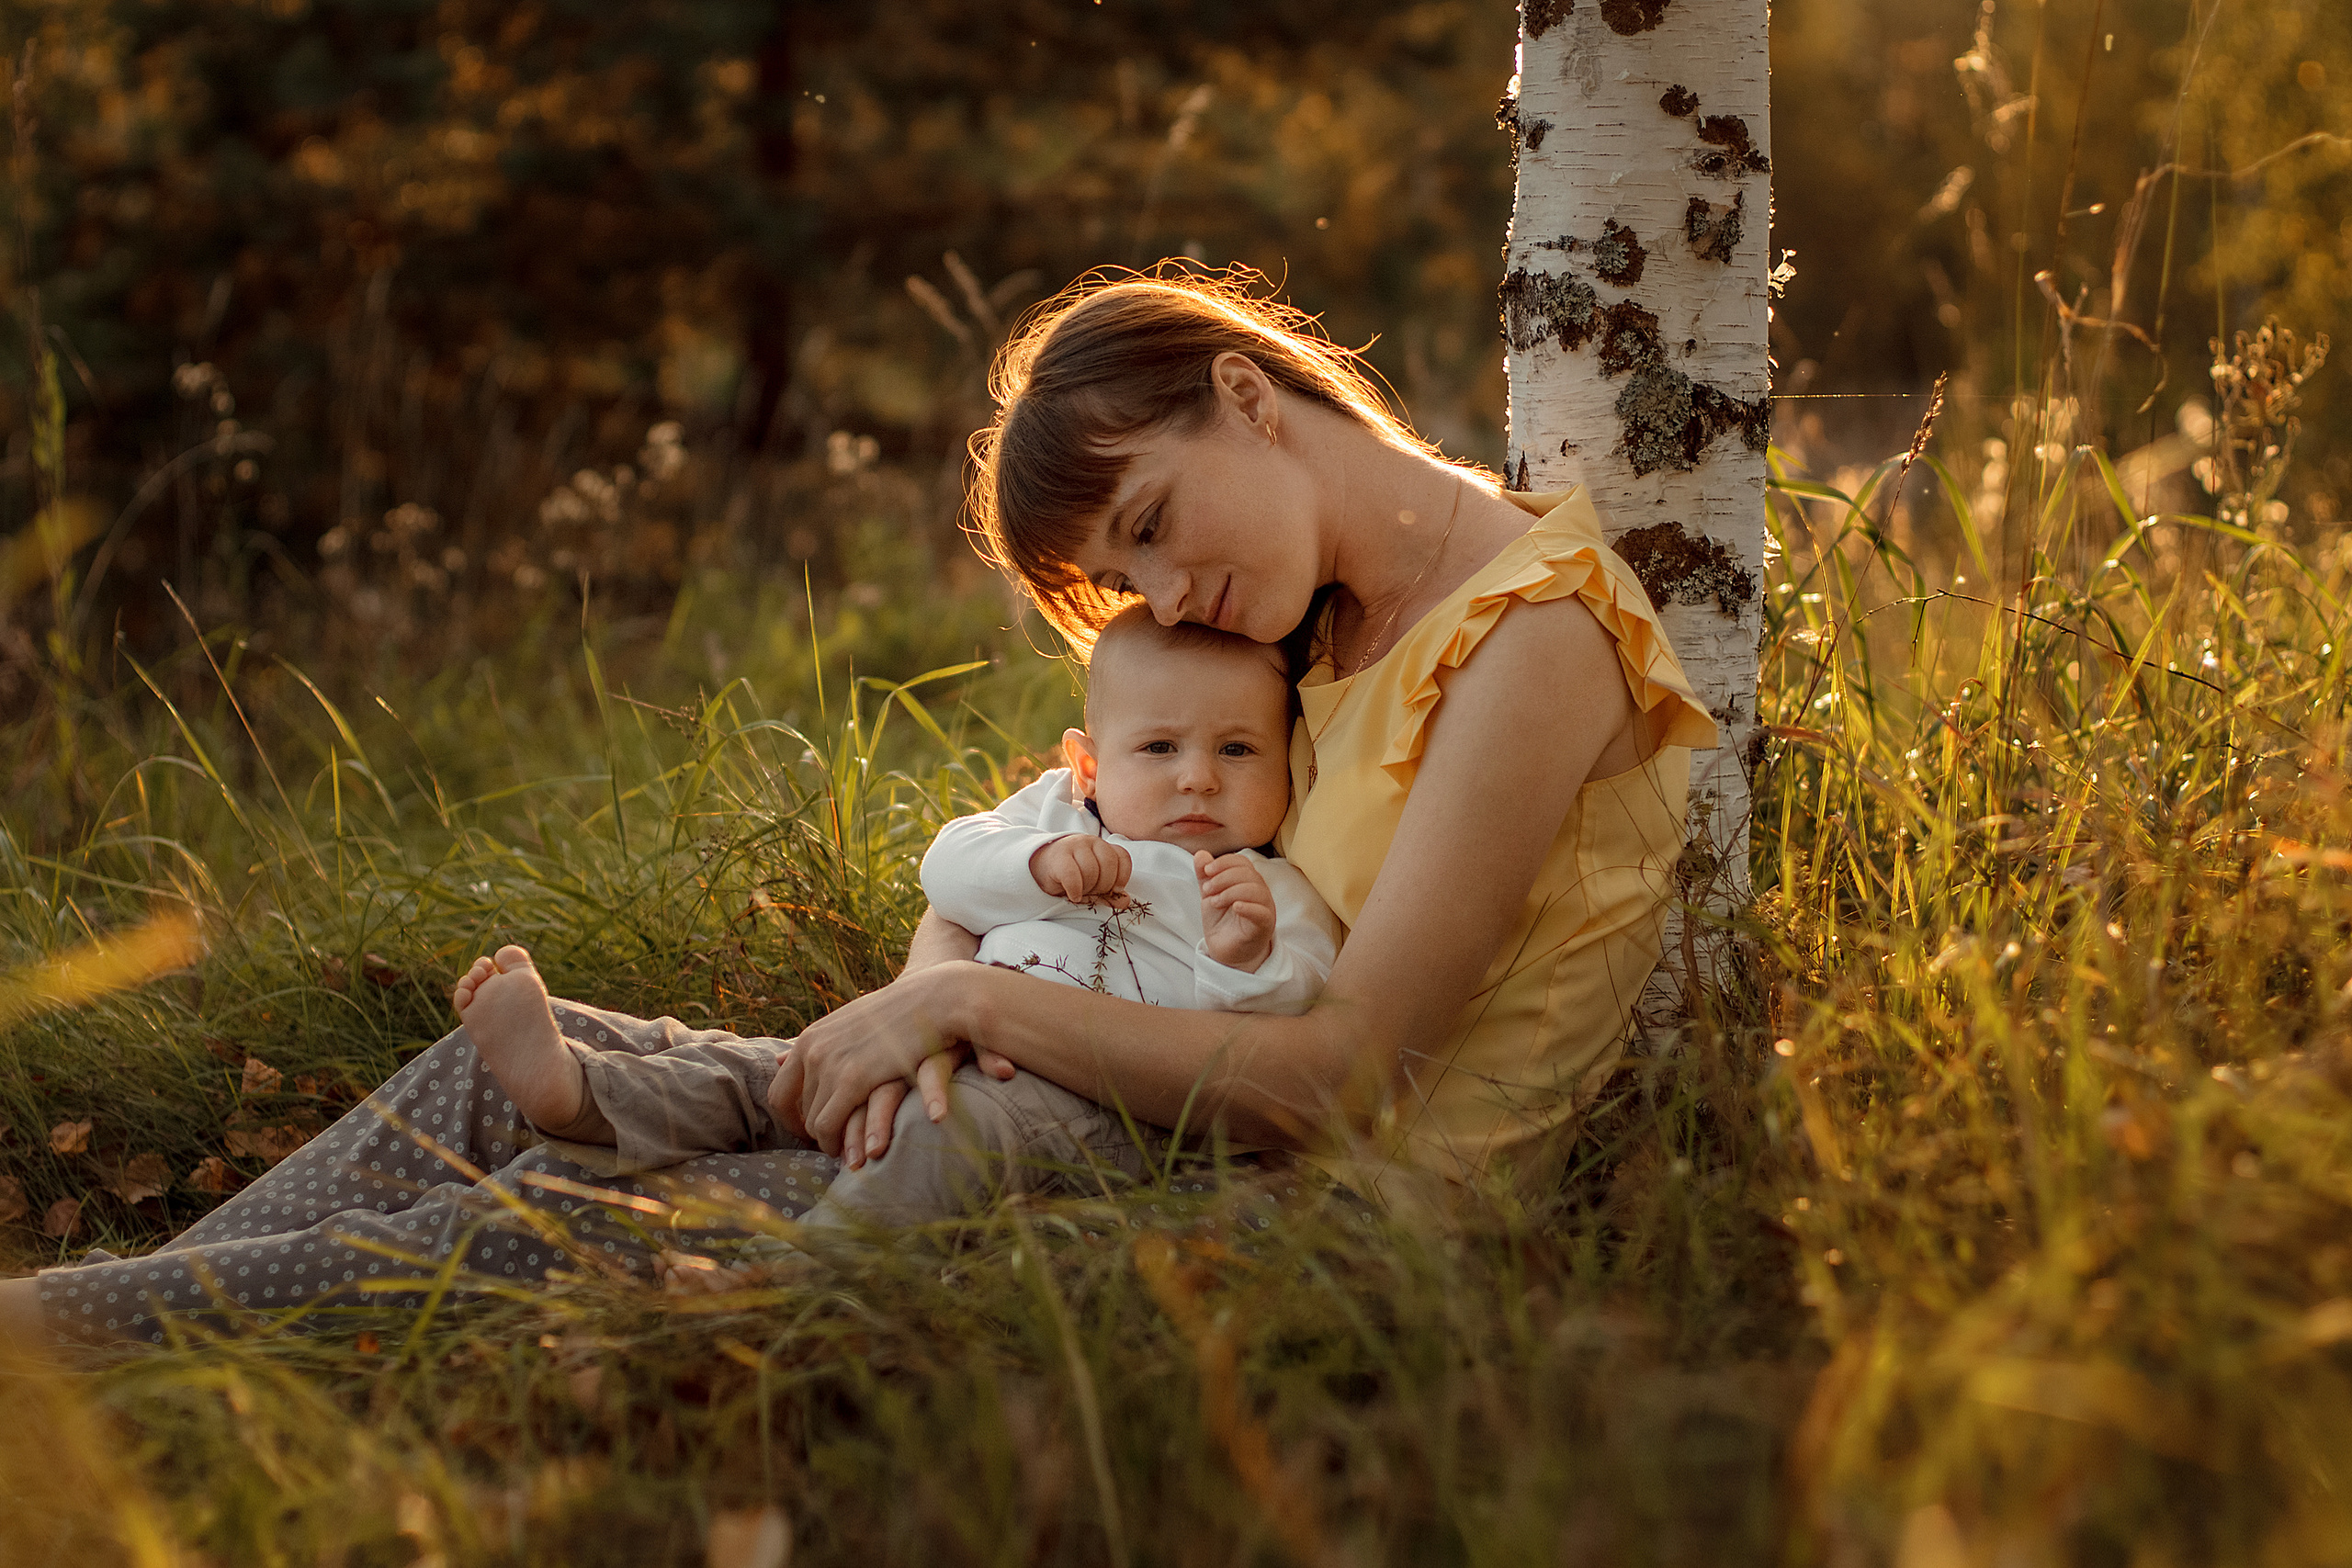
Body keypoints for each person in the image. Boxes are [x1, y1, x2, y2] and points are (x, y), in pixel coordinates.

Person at [0, 267, 1714, 1355]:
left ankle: (66, 1370)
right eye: (1127, 577)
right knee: (494, 1074)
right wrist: (921, 1011)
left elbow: (1339, 1086)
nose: (1169, 590)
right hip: (1079, 1107)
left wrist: (963, 1006)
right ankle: (61, 1336)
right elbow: (1032, 835)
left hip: (1312, 1225)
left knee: (559, 1223)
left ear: (1249, 396)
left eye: (1156, 521)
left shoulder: (1535, 635)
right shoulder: (1288, 620)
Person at [449, 608, 1340, 1233]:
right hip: (939, 1035)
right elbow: (947, 867)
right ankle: (583, 1096)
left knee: (944, 1140)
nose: (1197, 778)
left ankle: (806, 1271)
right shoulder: (1053, 817)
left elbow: (1286, 1018)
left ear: (1287, 766)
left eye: (1237, 749)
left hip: (1093, 1098)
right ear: (1090, 766)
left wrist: (1239, 959)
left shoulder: (1264, 888)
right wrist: (1032, 865)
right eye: (1159, 747)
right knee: (787, 1076)